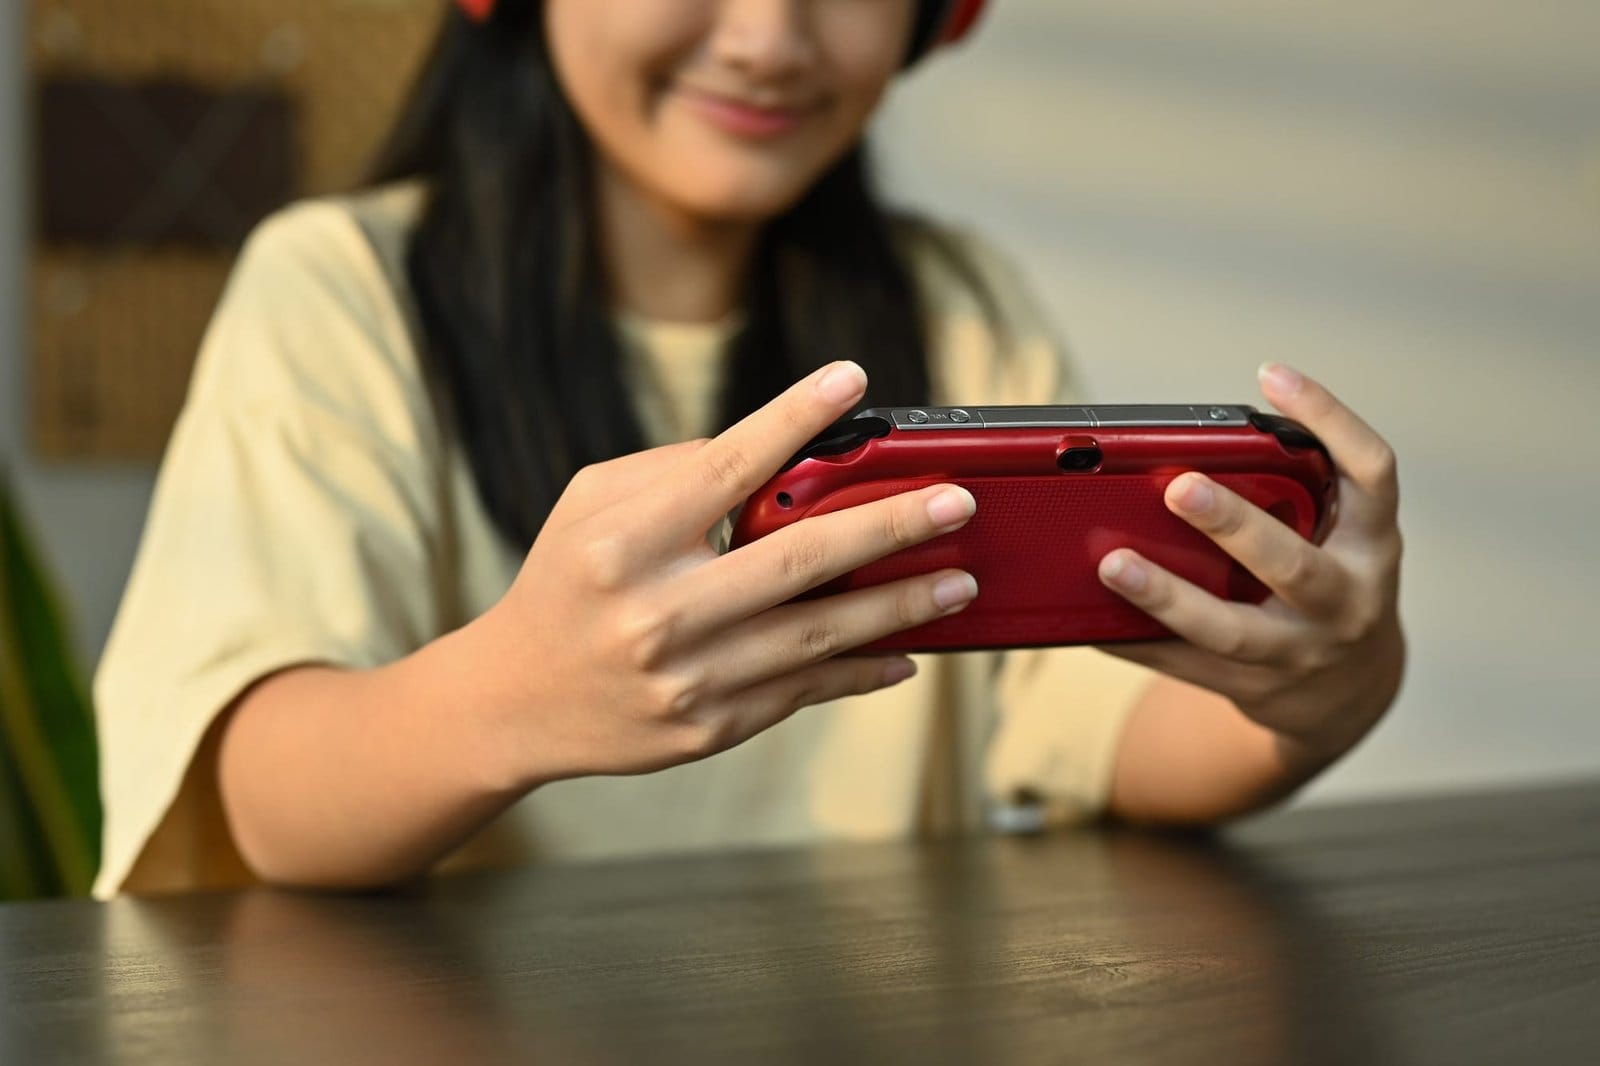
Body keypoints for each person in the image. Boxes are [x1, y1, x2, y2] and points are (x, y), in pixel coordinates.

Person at [91, 0, 1406, 897]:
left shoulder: (959, 305)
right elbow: (252, 788)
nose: (770, 38)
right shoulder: (342, 287)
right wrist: (511, 700)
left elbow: (1110, 733)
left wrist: (1328, 684)